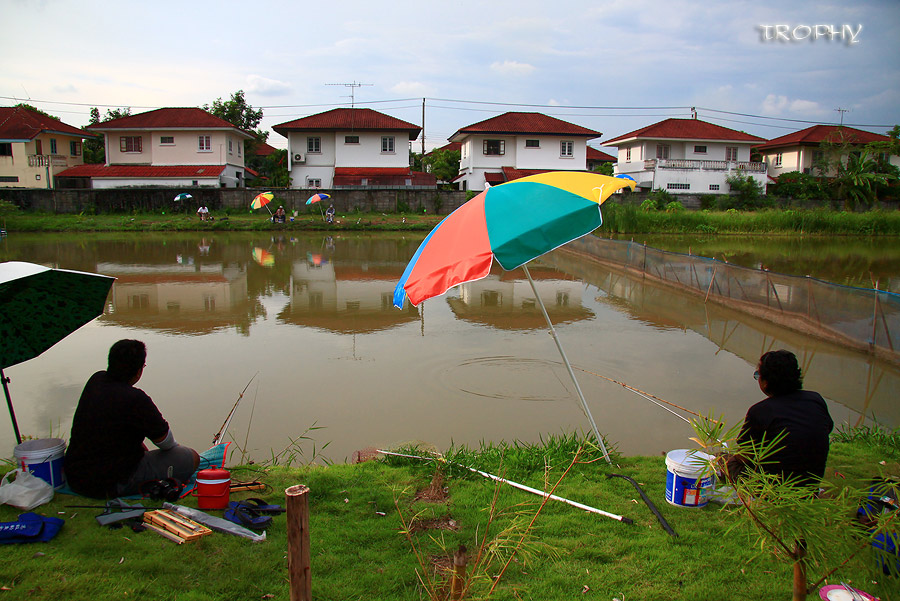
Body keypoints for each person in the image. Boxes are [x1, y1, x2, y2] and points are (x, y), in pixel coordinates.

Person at [63, 340, 200, 499]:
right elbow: (166, 443)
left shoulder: (96, 380)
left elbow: (114, 427)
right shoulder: (136, 399)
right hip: (110, 484)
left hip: (76, 477)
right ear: (138, 371)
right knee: (191, 457)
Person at [729, 349, 833, 490]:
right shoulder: (816, 400)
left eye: (758, 375)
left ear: (765, 382)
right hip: (809, 487)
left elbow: (745, 456)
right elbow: (826, 429)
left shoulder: (760, 411)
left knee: (730, 462)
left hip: (772, 490)